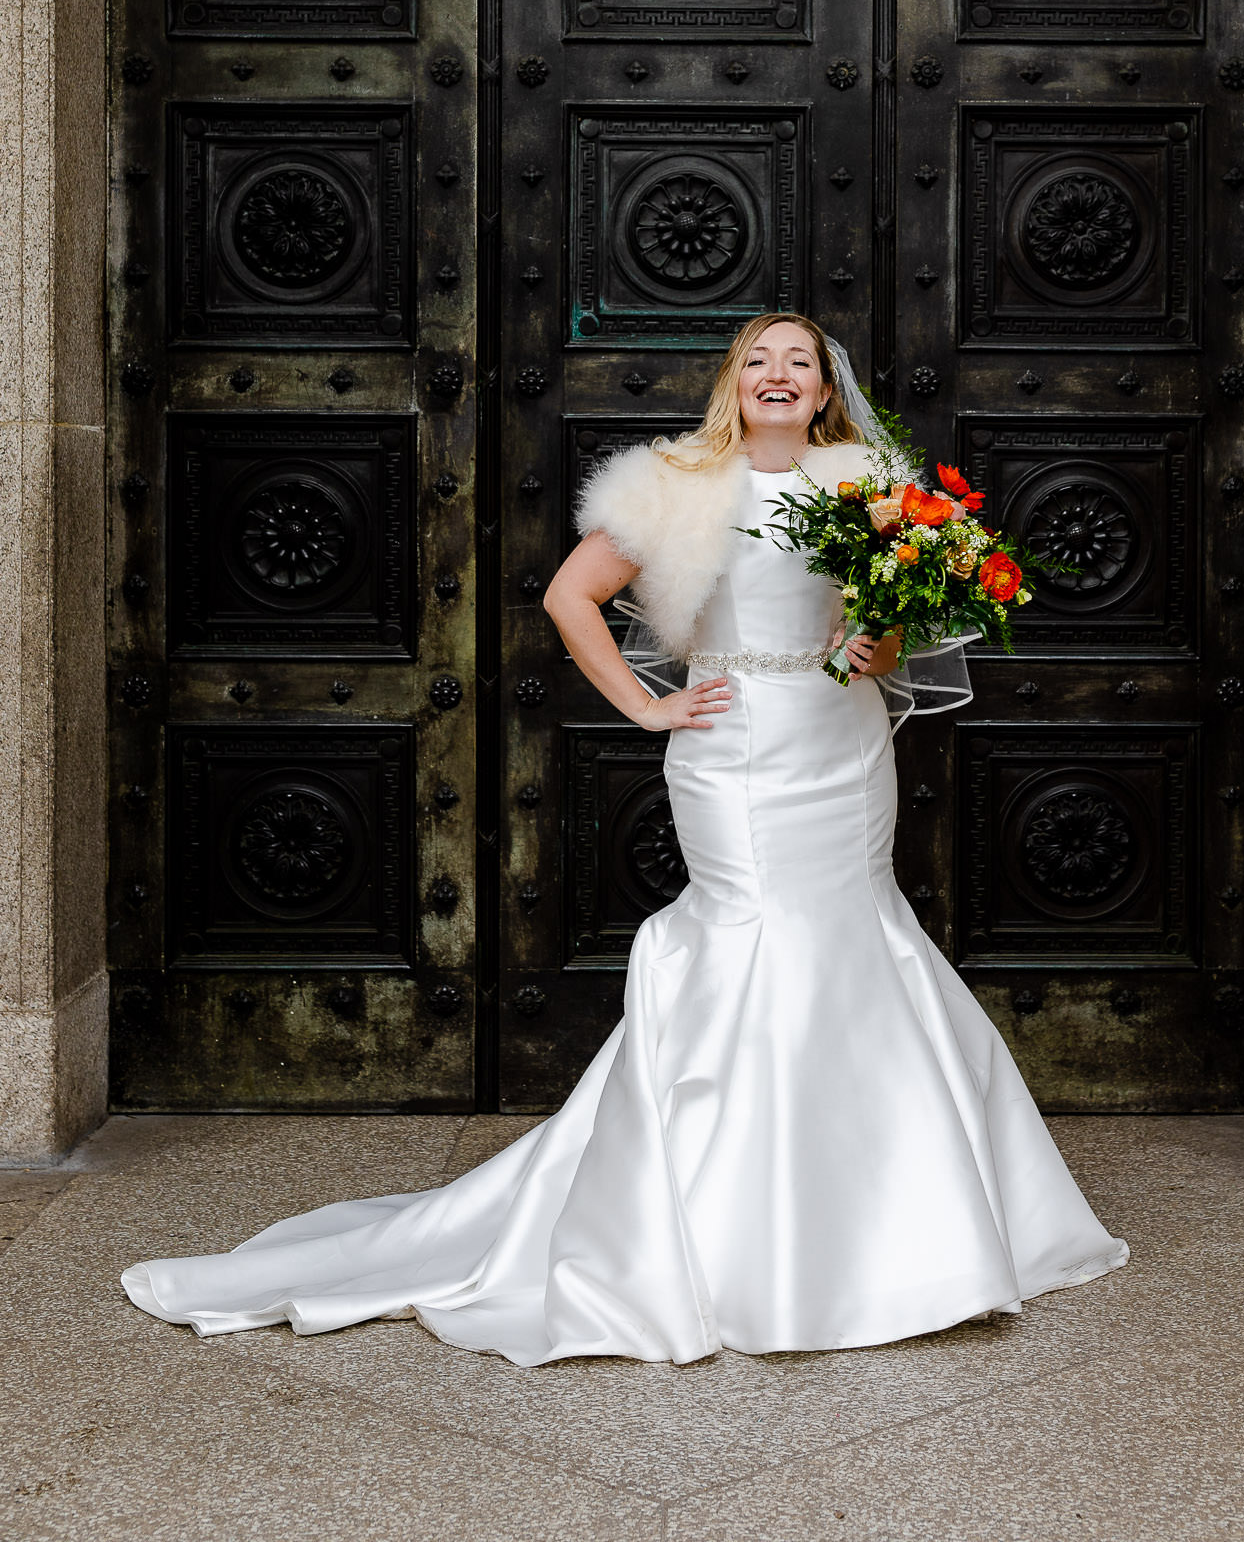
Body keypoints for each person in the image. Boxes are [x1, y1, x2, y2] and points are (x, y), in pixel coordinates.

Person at [121, 313, 1127, 1366]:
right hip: (735, 747)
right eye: (759, 359)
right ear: (733, 381)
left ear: (826, 388)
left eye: (801, 361)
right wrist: (647, 710)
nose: (779, 374)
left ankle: (888, 1219)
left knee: (856, 932)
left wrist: (875, 647)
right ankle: (734, 1231)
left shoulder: (871, 483)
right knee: (754, 938)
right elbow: (569, 594)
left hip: (842, 742)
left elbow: (882, 643)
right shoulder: (675, 481)